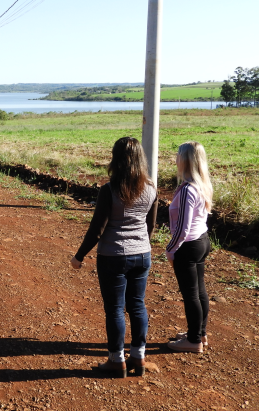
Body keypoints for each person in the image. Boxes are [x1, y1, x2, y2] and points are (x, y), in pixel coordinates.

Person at [71, 137, 157, 377]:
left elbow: (97, 229)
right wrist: (141, 245)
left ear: (116, 159)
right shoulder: (151, 188)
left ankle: (116, 360)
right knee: (137, 304)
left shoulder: (110, 190)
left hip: (113, 256)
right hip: (142, 254)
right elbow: (150, 227)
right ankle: (138, 356)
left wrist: (78, 256)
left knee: (115, 309)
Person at [165, 141, 213, 353]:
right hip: (201, 241)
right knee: (200, 291)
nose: (175, 158)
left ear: (185, 160)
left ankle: (193, 341)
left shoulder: (187, 190)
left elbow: (182, 229)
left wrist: (171, 249)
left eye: (178, 154)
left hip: (188, 245)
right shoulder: (201, 185)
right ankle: (199, 333)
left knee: (191, 294)